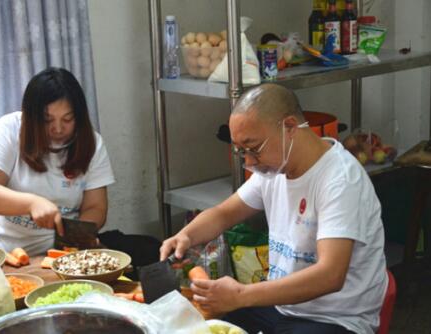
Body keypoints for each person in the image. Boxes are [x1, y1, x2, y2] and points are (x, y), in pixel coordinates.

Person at [160, 83, 387, 334]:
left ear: (289, 127)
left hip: (334, 319)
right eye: (241, 151)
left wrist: (242, 294)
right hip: (281, 307)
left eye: (254, 148)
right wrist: (186, 236)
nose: (248, 161)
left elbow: (330, 275)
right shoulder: (274, 170)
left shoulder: (340, 180)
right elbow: (223, 214)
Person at [0, 67, 114, 255]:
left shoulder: (92, 143)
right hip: (9, 255)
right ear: (31, 117)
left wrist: (77, 238)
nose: (58, 128)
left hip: (63, 253)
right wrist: (31, 204)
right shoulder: (9, 130)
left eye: (68, 119)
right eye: (47, 120)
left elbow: (95, 207)